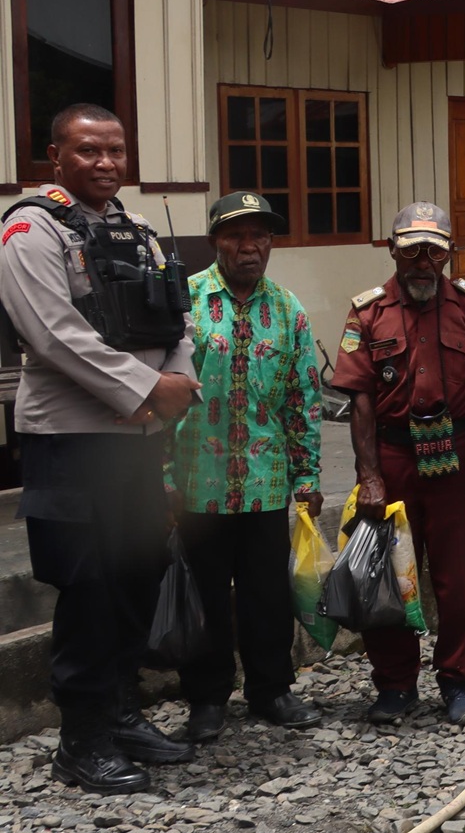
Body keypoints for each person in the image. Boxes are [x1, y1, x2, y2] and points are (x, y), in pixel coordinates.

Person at [0, 104, 199, 792]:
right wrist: (147, 388)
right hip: (73, 444)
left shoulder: (137, 228)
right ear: (54, 155)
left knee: (137, 576)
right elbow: (52, 333)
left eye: (116, 149)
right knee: (87, 589)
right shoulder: (31, 229)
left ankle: (121, 714)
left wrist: (178, 381)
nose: (106, 163)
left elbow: (179, 316)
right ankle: (80, 740)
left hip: (136, 447)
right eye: (88, 150)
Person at [167, 191, 325, 742]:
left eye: (260, 236)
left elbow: (303, 401)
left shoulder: (288, 310)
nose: (249, 247)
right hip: (196, 485)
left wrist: (307, 476)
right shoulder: (183, 302)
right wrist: (160, 476)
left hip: (266, 483)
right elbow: (160, 397)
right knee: (206, 593)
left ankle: (271, 690)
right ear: (215, 241)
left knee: (266, 594)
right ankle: (207, 699)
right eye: (236, 235)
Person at [329, 202, 465, 726]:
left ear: (447, 254)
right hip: (395, 459)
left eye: (435, 250)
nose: (424, 261)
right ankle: (396, 684)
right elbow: (358, 398)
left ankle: (459, 682)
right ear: (393, 250)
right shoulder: (368, 312)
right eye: (412, 249)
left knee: (460, 581)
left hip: (458, 457)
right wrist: (369, 474)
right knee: (388, 578)